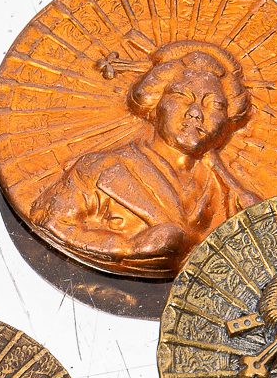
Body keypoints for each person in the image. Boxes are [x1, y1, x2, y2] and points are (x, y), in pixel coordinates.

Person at [30, 40, 252, 276]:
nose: (195, 113)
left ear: (227, 120)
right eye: (181, 95)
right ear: (154, 103)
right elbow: (49, 221)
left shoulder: (227, 190)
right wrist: (128, 247)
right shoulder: (99, 169)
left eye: (215, 104)